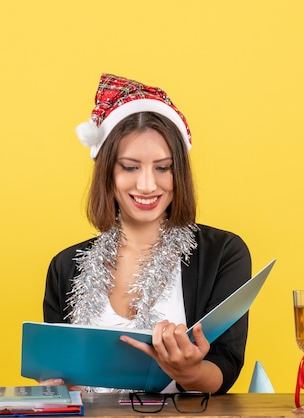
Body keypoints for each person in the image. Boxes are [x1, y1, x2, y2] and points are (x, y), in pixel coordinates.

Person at [41, 74, 252, 395]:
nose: (147, 185)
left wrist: (189, 371)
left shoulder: (223, 253)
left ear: (178, 172)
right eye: (130, 167)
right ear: (107, 172)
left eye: (163, 167)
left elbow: (225, 368)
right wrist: (57, 387)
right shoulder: (65, 265)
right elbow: (58, 374)